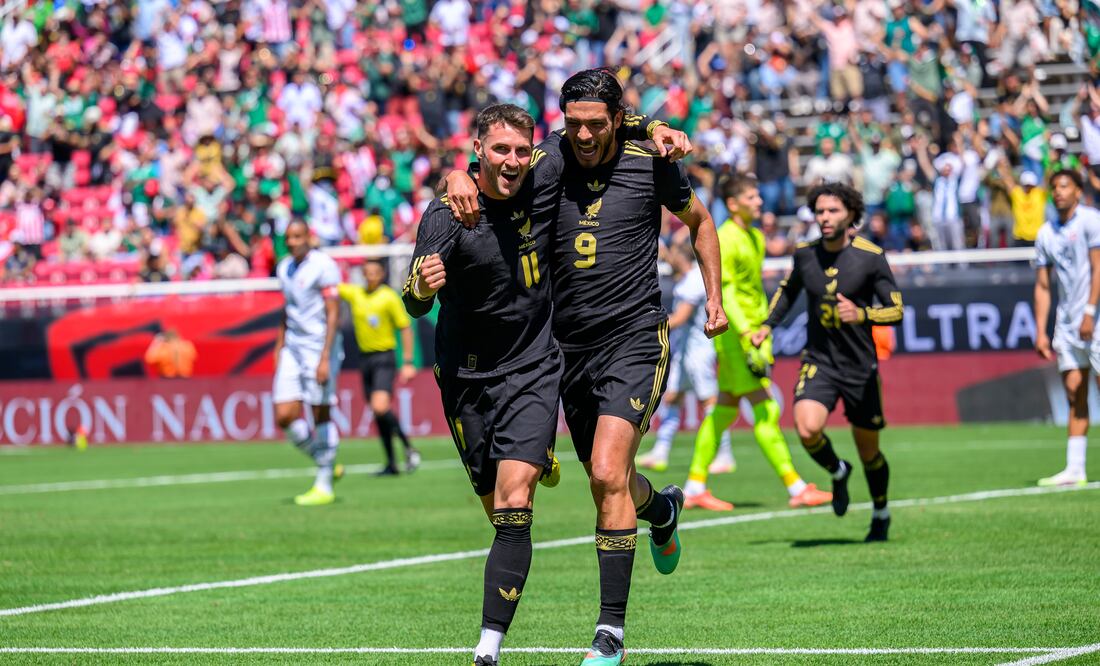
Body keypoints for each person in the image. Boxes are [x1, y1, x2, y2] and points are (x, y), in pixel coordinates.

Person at [444, 69, 723, 666]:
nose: (585, 135)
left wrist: (715, 300)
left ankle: (610, 634)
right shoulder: (547, 162)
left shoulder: (652, 162)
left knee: (604, 471)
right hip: (562, 351)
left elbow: (701, 224)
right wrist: (451, 176)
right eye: (573, 124)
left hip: (634, 338)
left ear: (619, 121)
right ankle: (662, 509)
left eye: (597, 124)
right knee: (611, 482)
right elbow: (493, 172)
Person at [402, 104, 563, 666]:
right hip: (466, 377)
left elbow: (599, 123)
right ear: (477, 149)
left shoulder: (546, 173)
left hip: (533, 365)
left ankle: (487, 649)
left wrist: (655, 127)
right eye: (500, 150)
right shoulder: (447, 214)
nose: (513, 161)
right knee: (500, 513)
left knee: (516, 501)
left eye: (522, 150)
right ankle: (532, 454)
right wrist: (423, 286)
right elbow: (413, 299)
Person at [751, 183, 904, 542]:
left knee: (870, 452)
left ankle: (880, 512)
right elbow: (788, 292)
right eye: (820, 211)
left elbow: (896, 309)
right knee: (806, 428)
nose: (825, 218)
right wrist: (765, 327)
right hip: (820, 360)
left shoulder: (870, 256)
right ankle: (837, 471)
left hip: (860, 367)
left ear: (851, 214)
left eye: (833, 211)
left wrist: (863, 313)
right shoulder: (805, 254)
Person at [686, 174, 832, 512]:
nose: (759, 202)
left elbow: (750, 289)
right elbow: (729, 291)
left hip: (751, 331)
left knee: (723, 411)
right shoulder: (725, 238)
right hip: (739, 336)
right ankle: (795, 486)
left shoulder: (754, 237)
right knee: (765, 408)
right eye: (752, 197)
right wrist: (744, 332)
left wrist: (762, 326)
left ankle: (694, 485)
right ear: (734, 203)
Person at [637, 242, 734, 475]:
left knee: (709, 401)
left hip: (698, 352)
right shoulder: (685, 279)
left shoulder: (693, 282)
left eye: (672, 253)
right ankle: (660, 452)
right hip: (683, 352)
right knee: (671, 398)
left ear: (681, 256)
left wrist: (645, 327)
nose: (668, 257)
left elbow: (680, 318)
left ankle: (724, 454)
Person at [1033, 170, 1100, 488]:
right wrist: (1041, 331)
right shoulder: (1046, 232)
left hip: (1096, 319)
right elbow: (1043, 286)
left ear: (1078, 191)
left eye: (1064, 186)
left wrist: (1089, 310)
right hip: (1067, 323)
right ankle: (1075, 469)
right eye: (1054, 188)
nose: (1058, 192)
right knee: (1075, 390)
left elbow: (1099, 266)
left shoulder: (1090, 220)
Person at [273, 220, 345, 507]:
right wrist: (279, 346)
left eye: (297, 236)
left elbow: (333, 312)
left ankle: (324, 485)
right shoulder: (284, 267)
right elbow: (287, 310)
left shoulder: (323, 266)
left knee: (320, 413)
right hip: (293, 347)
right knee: (284, 415)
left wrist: (325, 356)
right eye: (288, 237)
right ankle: (325, 460)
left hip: (318, 348)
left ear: (309, 238)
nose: (292, 242)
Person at [339, 260, 421, 475]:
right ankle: (391, 463)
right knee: (378, 413)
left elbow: (405, 328)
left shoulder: (388, 297)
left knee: (380, 407)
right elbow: (331, 286)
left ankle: (409, 448)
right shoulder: (356, 294)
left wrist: (409, 362)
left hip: (384, 357)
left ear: (382, 274)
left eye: (375, 272)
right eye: (367, 273)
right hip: (364, 359)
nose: (371, 276)